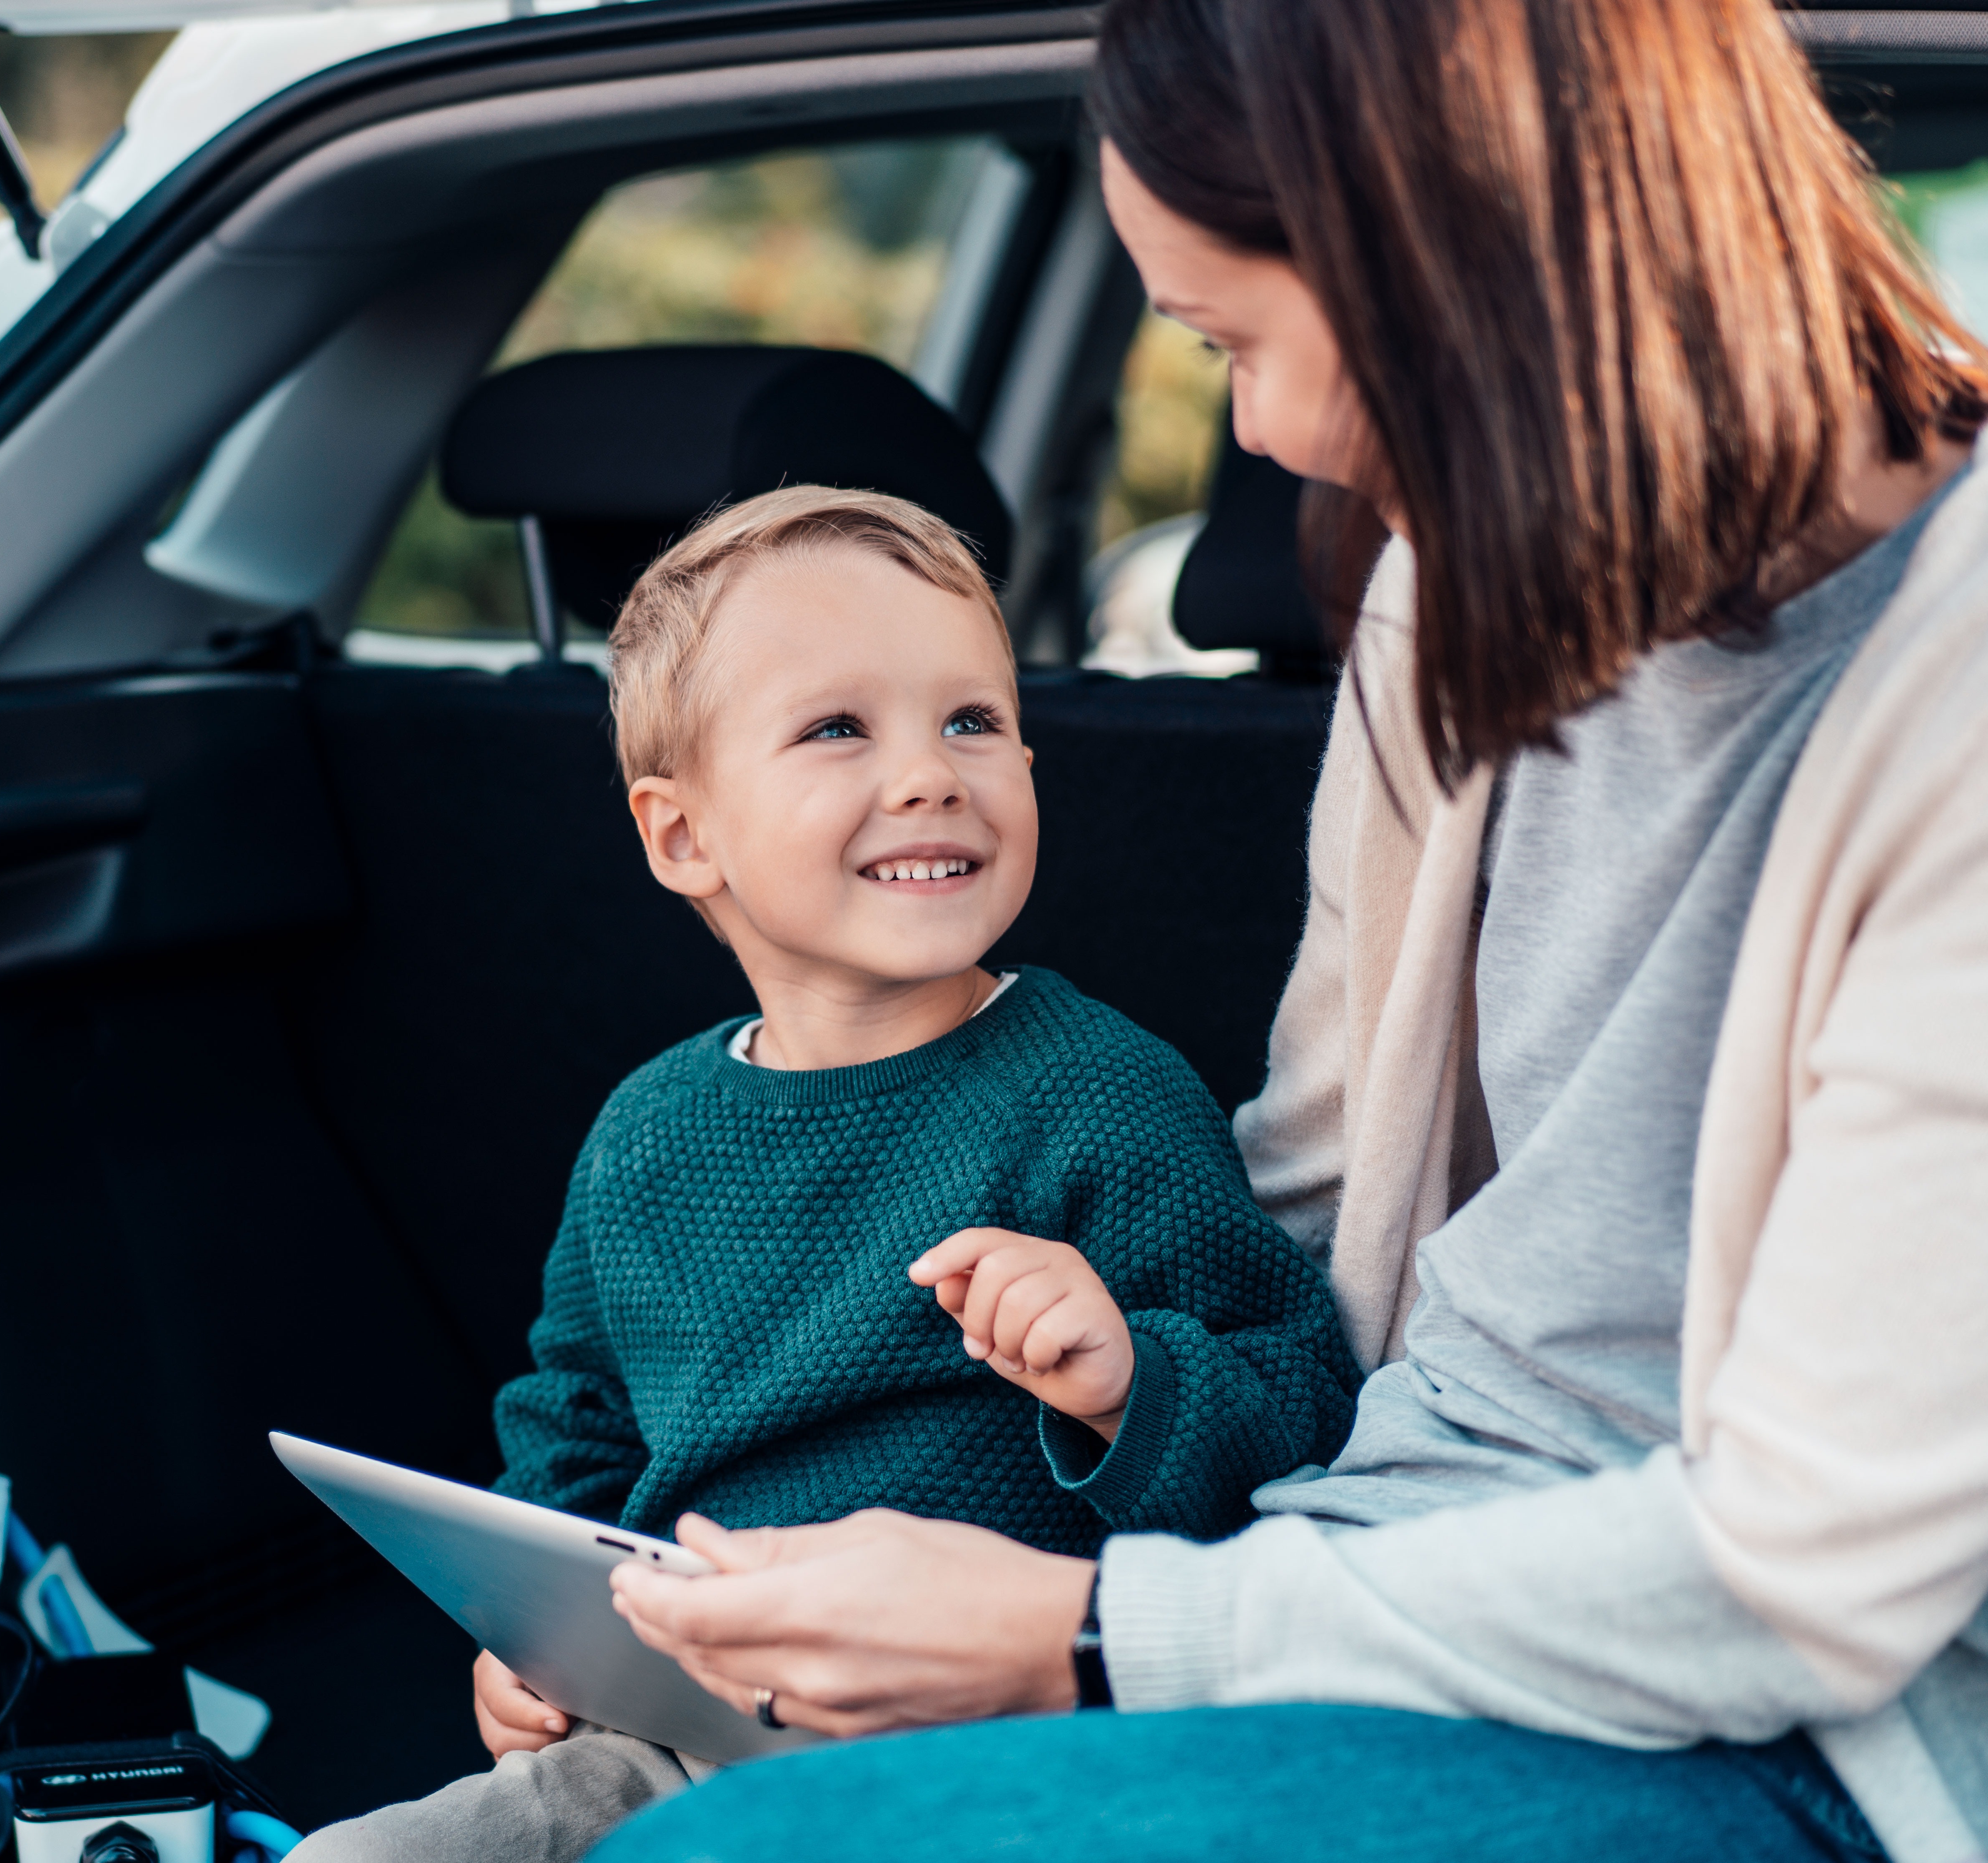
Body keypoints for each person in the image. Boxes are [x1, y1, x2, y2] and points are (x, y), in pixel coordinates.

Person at [585, 0, 1988, 1857]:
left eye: (1236, 342)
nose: (1255, 432)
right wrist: (1046, 1519)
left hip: (1851, 1751)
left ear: (1456, 262)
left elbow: (1808, 1573)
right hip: (1364, 1573)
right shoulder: (1464, 585)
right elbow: (1290, 1205)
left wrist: (1087, 1632)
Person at [282, 485, 1363, 1863]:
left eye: (973, 720)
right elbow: (578, 1427)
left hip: (1000, 1746)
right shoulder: (649, 1133)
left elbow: (1303, 1414)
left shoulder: (1102, 1093)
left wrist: (1125, 1380)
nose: (929, 774)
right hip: (685, 1731)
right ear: (683, 836)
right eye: (838, 727)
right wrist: (537, 1636)